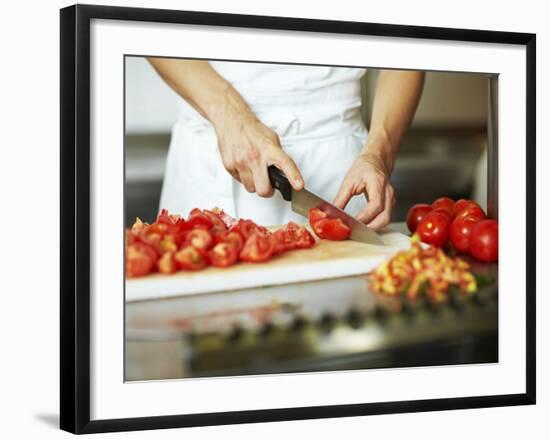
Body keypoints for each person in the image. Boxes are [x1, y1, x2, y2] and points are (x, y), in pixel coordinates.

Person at [148, 59, 424, 230]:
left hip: (340, 172)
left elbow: (413, 40)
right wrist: (230, 116)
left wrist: (378, 155)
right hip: (210, 155)